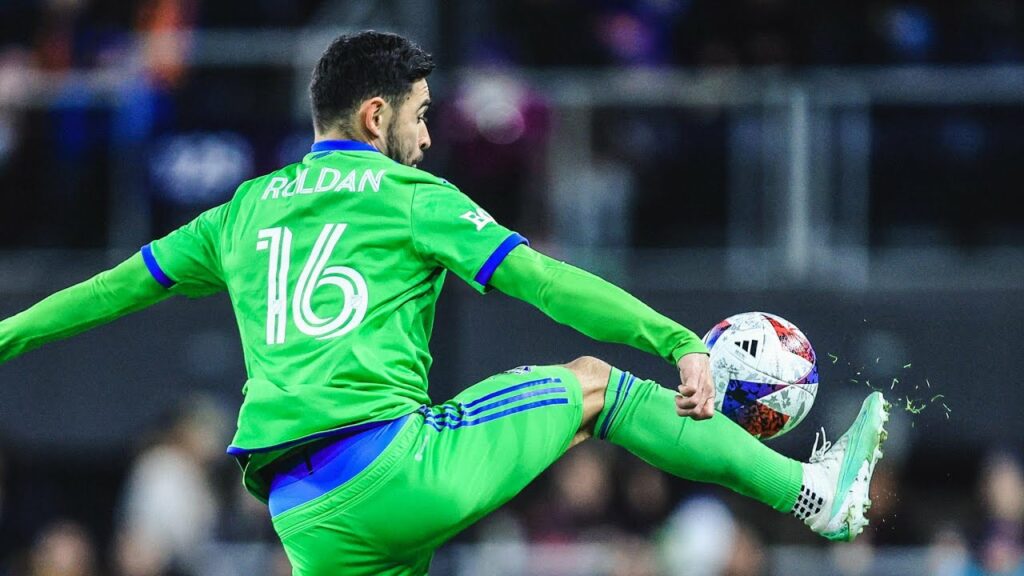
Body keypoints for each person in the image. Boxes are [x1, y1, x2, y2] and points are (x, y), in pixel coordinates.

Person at [0, 31, 889, 576]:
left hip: (303, 519)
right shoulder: (410, 197)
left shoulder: (237, 214)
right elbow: (541, 278)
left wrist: (6, 335)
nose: (429, 137)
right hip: (392, 468)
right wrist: (670, 338)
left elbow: (107, 292)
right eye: (421, 116)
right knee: (591, 385)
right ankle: (815, 496)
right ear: (375, 115)